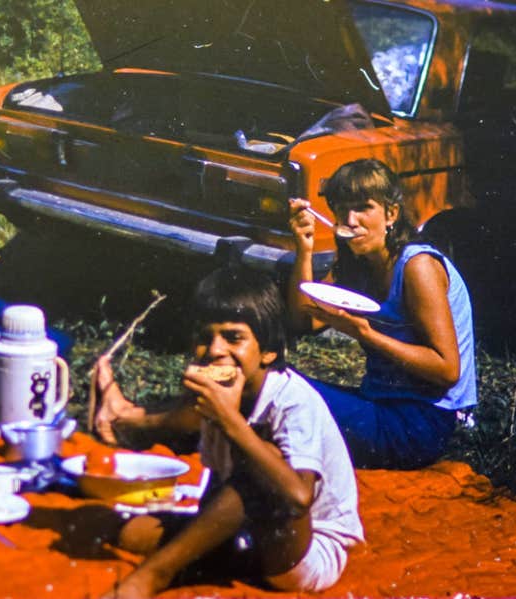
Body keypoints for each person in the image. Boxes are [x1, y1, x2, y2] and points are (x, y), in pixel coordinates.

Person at [93, 267, 363, 598]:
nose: (216, 350)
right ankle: (218, 556)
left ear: (268, 351)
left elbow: (297, 497)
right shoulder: (221, 390)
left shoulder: (292, 401)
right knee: (131, 534)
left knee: (264, 462)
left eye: (234, 338)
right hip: (249, 530)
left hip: (305, 552)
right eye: (205, 338)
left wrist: (228, 419)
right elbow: (218, 478)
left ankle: (153, 576)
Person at [286, 158, 476, 469]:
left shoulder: (417, 267)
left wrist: (367, 335)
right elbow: (303, 319)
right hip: (379, 403)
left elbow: (447, 369)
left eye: (363, 207)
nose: (351, 220)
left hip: (421, 423)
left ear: (391, 213)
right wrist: (304, 249)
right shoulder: (358, 264)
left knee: (279, 391)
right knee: (278, 384)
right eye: (342, 210)